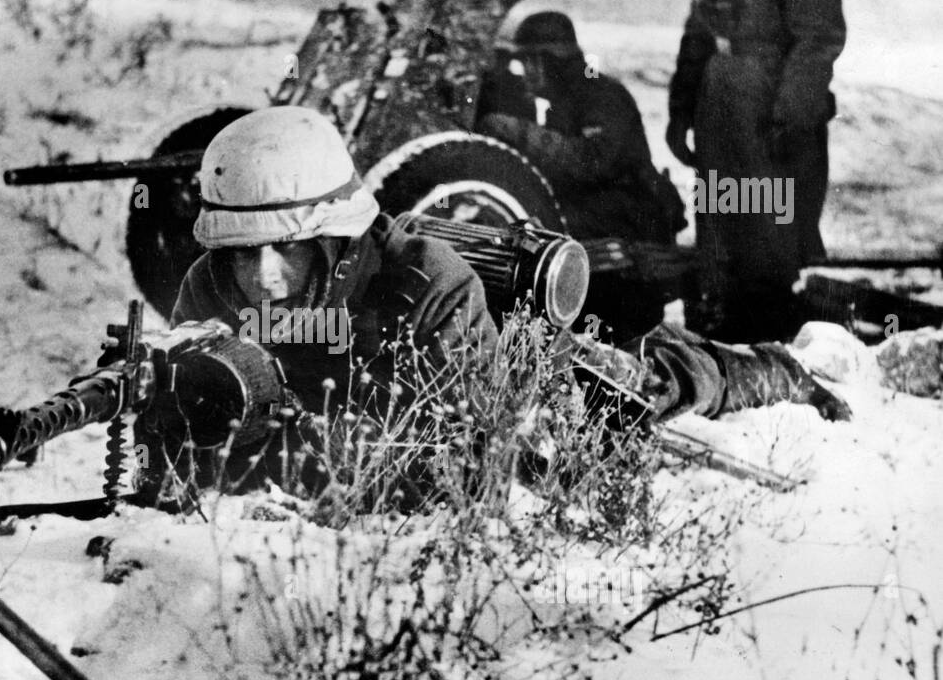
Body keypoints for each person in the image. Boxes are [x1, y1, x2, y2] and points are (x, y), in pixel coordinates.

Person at [135, 106, 848, 505]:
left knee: (650, 384)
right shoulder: (211, 282)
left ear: (331, 235)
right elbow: (202, 413)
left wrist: (292, 445)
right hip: (367, 413)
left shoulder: (426, 282)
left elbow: (467, 466)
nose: (258, 274)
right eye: (241, 248)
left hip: (517, 373)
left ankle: (779, 365)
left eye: (282, 248)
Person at [667, 0, 845, 342]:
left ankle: (775, 340)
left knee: (770, 230)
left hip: (768, 111)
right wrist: (681, 109)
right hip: (718, 104)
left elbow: (818, 40)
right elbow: (697, 32)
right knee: (720, 220)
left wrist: (791, 116)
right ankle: (723, 329)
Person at [476, 11, 687, 341]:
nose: (525, 72)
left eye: (530, 61)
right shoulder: (569, 98)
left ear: (550, 61)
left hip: (631, 224)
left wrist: (516, 131)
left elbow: (591, 162)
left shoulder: (601, 94)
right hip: (610, 218)